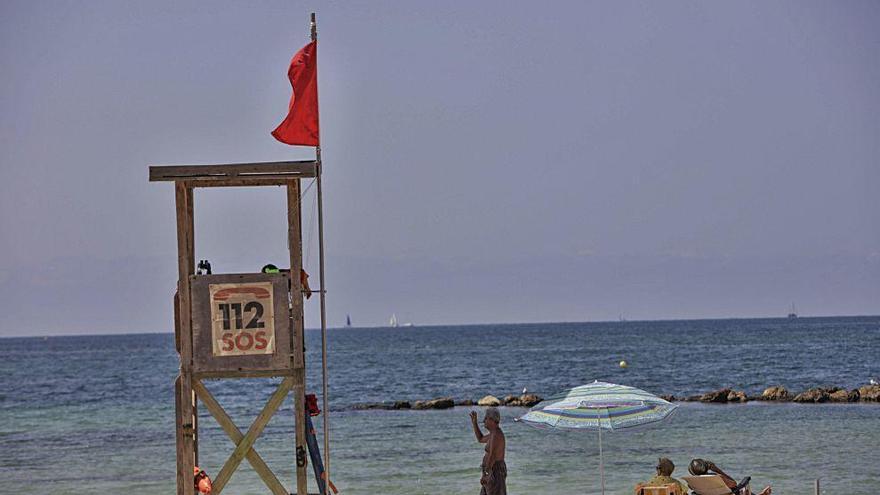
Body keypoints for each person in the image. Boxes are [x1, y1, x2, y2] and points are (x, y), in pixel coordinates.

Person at [469, 407, 506, 495]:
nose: (483, 420)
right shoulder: (493, 433)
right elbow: (480, 439)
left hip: (494, 471)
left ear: (492, 419)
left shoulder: (496, 434)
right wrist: (474, 423)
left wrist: (486, 474)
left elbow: (492, 456)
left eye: (486, 418)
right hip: (490, 471)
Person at [688, 458, 771, 495]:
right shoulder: (717, 477)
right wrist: (717, 469)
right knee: (740, 486)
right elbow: (734, 484)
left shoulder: (692, 483)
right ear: (706, 466)